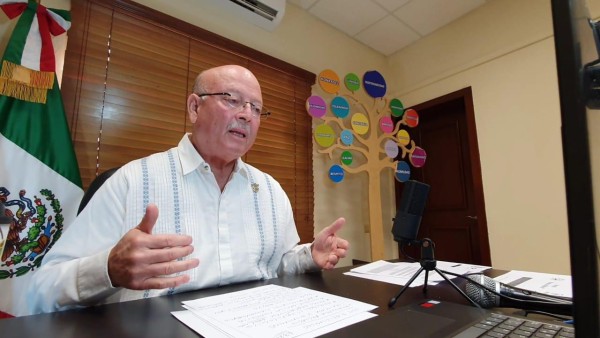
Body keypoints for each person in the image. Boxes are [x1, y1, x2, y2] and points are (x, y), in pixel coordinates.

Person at [28, 65, 349, 314]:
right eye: (232, 100)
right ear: (195, 107)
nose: (246, 115)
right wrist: (108, 269)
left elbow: (275, 265)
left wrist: (309, 256)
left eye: (255, 108)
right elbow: (42, 287)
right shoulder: (131, 181)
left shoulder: (269, 190)